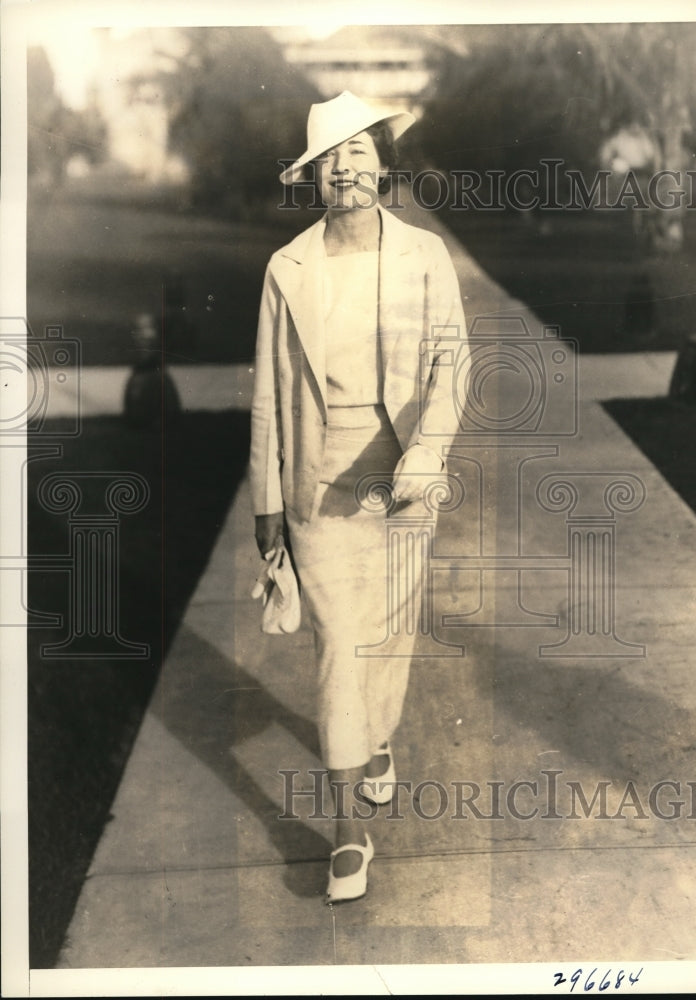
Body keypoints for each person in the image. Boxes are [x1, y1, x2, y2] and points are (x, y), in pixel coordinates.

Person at [250, 91, 467, 903]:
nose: (348, 168)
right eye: (331, 157)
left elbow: (453, 363)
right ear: (314, 175)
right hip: (319, 480)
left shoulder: (424, 256)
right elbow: (271, 392)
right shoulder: (288, 269)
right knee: (342, 643)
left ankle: (376, 742)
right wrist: (265, 499)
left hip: (405, 475)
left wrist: (430, 449)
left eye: (361, 152)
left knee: (389, 638)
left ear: (383, 163)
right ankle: (347, 828)